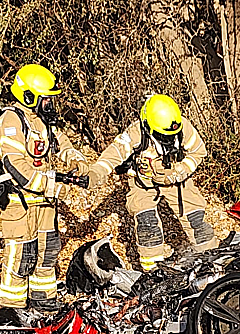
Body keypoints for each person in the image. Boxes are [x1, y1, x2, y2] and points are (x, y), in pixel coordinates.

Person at [0, 64, 88, 312]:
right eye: (46, 100)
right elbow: (17, 166)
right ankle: (14, 309)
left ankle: (44, 303)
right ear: (29, 96)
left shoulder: (42, 122)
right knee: (23, 257)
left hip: (44, 205)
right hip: (20, 203)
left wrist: (77, 160)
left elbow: (60, 143)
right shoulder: (11, 120)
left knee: (48, 251)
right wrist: (53, 187)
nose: (50, 105)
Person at [88, 94, 218, 271]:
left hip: (176, 179)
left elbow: (198, 152)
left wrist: (181, 171)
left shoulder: (182, 126)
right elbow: (114, 153)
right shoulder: (136, 132)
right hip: (144, 182)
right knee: (146, 222)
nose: (168, 139)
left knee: (196, 219)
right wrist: (97, 172)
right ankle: (153, 270)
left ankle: (213, 259)